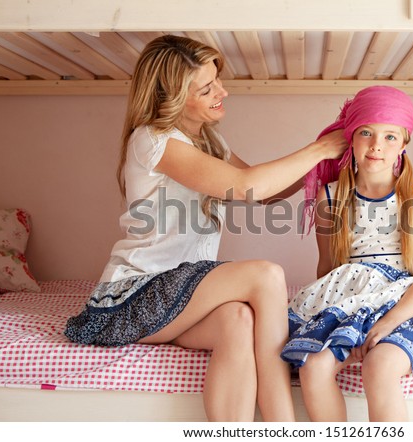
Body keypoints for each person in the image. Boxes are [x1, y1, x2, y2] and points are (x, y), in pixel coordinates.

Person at [64, 35, 346, 422]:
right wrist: (319, 149)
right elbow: (248, 186)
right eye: (207, 88)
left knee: (238, 320)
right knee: (265, 276)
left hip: (178, 298)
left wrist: (322, 164)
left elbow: (263, 194)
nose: (223, 92)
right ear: (172, 97)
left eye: (217, 82)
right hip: (131, 296)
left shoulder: (210, 141)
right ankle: (284, 427)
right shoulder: (154, 140)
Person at [281, 86, 413, 422]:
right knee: (314, 365)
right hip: (352, 299)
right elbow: (329, 268)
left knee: (379, 366)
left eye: (390, 137)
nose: (377, 145)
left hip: (403, 303)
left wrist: (388, 323)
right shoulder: (330, 198)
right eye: (366, 132)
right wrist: (329, 323)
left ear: (404, 144)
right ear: (350, 138)